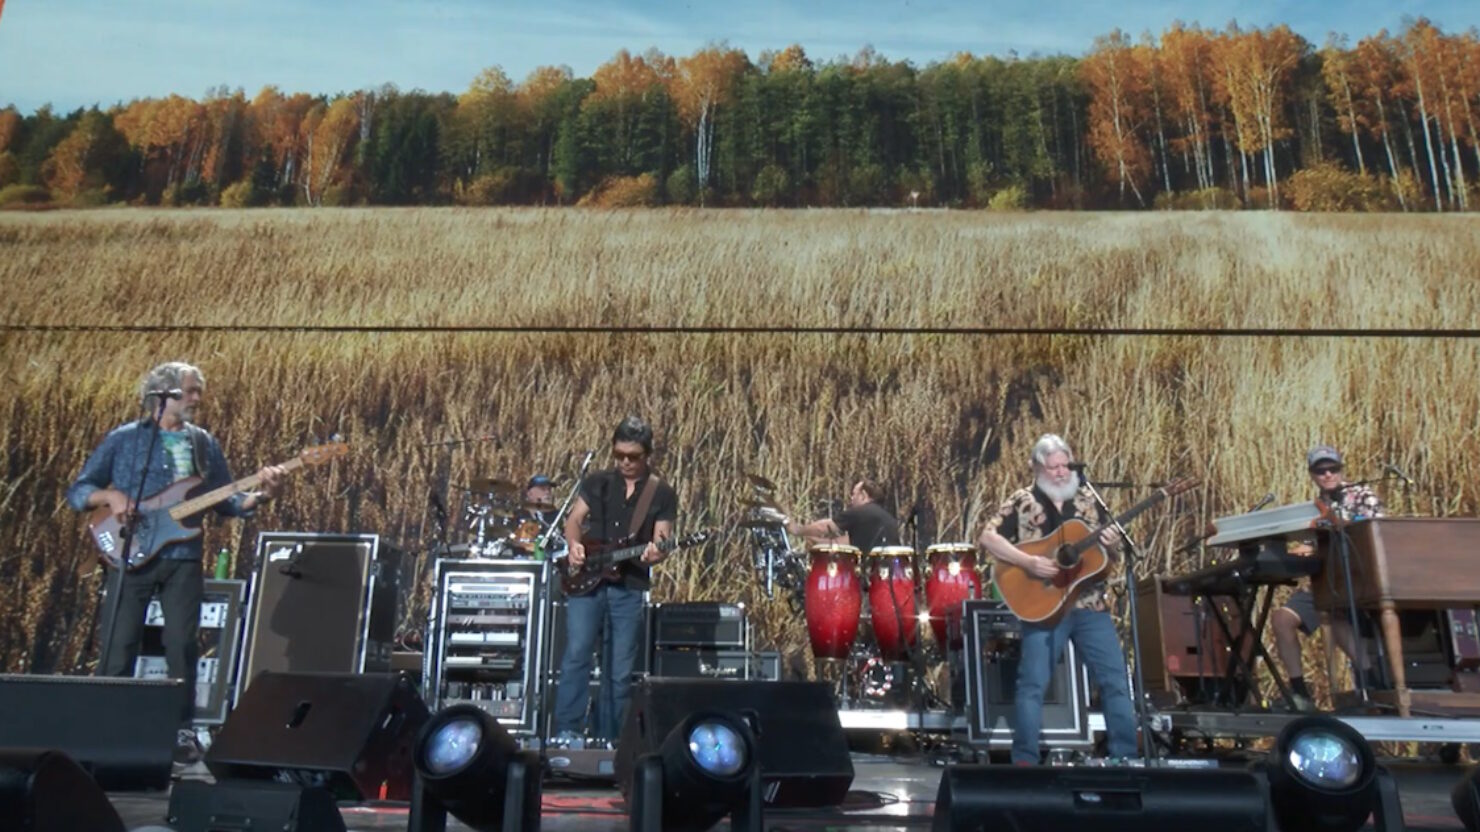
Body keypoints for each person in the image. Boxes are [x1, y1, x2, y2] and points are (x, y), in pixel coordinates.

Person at [67, 362, 284, 762]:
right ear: (162, 395)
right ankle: (105, 732)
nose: (198, 399)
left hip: (183, 555)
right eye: (190, 391)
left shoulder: (203, 444)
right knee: (120, 644)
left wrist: (262, 495)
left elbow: (227, 501)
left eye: (199, 391)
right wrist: (112, 498)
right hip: (128, 554)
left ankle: (181, 731)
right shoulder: (125, 439)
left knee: (182, 645)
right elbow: (79, 490)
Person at [976, 433, 1138, 765]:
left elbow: (1109, 553)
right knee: (1032, 683)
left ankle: (1126, 757)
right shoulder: (1022, 500)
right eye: (1054, 467)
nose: (1062, 472)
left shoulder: (1088, 500)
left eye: (1065, 465)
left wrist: (1111, 543)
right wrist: (1029, 562)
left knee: (1115, 681)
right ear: (1037, 468)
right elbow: (988, 537)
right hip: (1045, 607)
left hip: (1090, 604)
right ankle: (1025, 760)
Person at [555, 416, 677, 741]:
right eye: (619, 455)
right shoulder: (598, 482)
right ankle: (567, 731)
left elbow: (662, 540)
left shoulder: (661, 492)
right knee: (577, 654)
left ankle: (611, 740)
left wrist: (657, 553)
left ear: (647, 455)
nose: (625, 462)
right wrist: (574, 544)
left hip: (629, 585)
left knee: (620, 670)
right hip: (587, 580)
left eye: (633, 457)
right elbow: (574, 520)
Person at [1271, 444, 1385, 711]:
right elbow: (1314, 542)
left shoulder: (1362, 494)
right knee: (1281, 619)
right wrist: (1305, 550)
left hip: (1356, 579)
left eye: (1332, 469)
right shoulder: (1316, 506)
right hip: (1325, 581)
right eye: (1321, 471)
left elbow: (1379, 532)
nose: (1327, 475)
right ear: (1312, 474)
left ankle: (1372, 682)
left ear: (1341, 469)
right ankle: (1300, 693)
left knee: (1335, 616)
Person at [784, 479, 901, 554]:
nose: (851, 498)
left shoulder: (860, 512)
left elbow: (824, 526)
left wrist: (797, 530)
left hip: (868, 573)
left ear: (863, 496)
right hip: (887, 575)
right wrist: (819, 542)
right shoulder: (887, 517)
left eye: (854, 494)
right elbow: (849, 542)